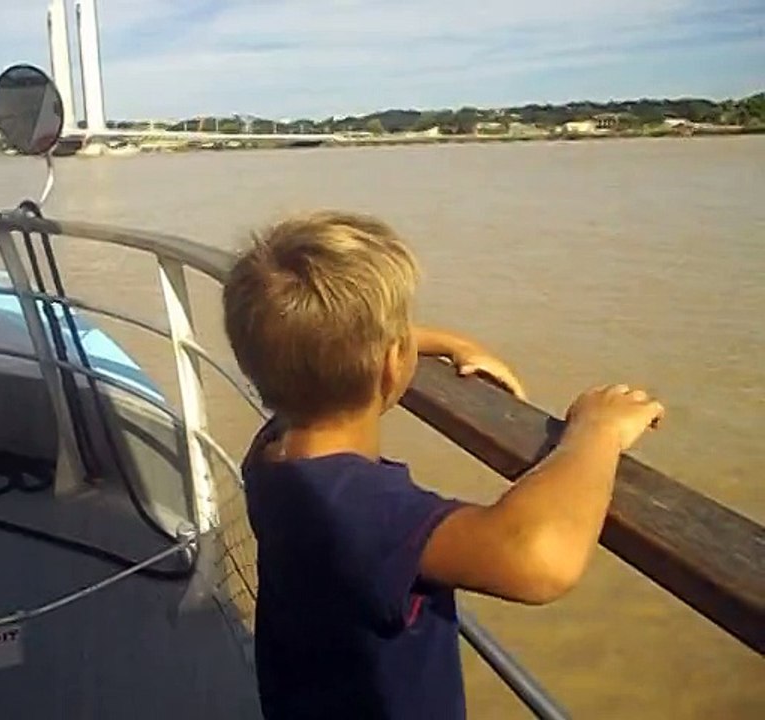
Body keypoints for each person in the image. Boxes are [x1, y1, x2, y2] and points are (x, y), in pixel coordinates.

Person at [222, 210, 664, 720]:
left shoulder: (273, 450)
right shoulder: (362, 512)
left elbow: (322, 346)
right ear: (393, 364)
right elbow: (540, 560)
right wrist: (595, 431)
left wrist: (449, 344)